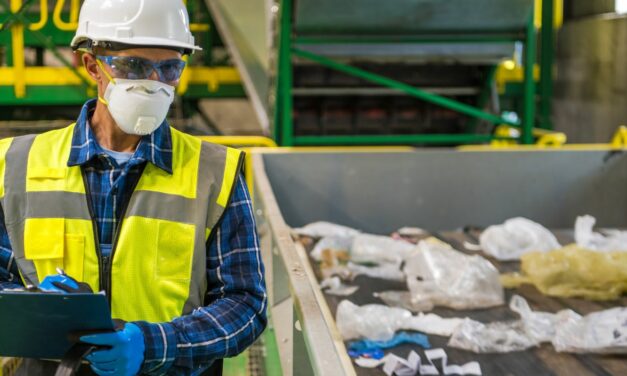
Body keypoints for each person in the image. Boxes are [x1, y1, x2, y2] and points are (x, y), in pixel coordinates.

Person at [0, 0, 267, 374]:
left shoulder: (214, 173)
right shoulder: (16, 165)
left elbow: (245, 304)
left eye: (170, 67)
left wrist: (154, 344)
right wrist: (32, 305)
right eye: (134, 66)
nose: (153, 83)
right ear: (92, 65)